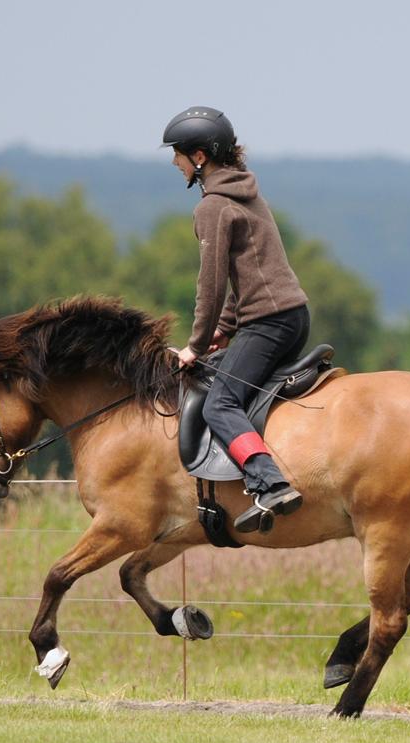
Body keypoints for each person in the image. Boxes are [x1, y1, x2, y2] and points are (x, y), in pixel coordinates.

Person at [163, 106, 311, 533]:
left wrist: (195, 344)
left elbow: (209, 287)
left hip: (268, 322)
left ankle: (270, 483)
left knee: (220, 402)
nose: (175, 163)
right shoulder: (248, 194)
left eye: (178, 154)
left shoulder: (212, 207)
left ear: (200, 157)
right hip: (291, 315)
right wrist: (225, 332)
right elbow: (243, 278)